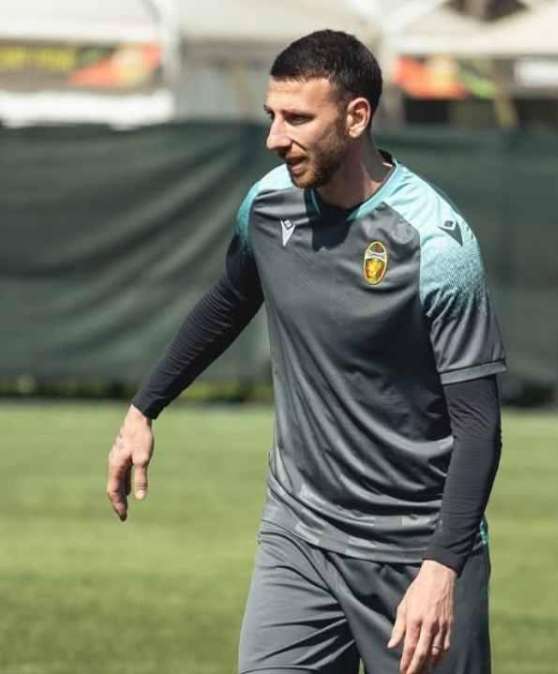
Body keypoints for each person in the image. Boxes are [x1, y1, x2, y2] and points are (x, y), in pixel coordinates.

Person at [104, 30, 505, 674]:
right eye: (272, 116)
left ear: (356, 116)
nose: (274, 137)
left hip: (414, 552)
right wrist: (143, 409)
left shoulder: (437, 244)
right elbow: (228, 303)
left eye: (297, 118)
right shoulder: (267, 206)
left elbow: (479, 425)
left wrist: (441, 567)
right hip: (299, 537)